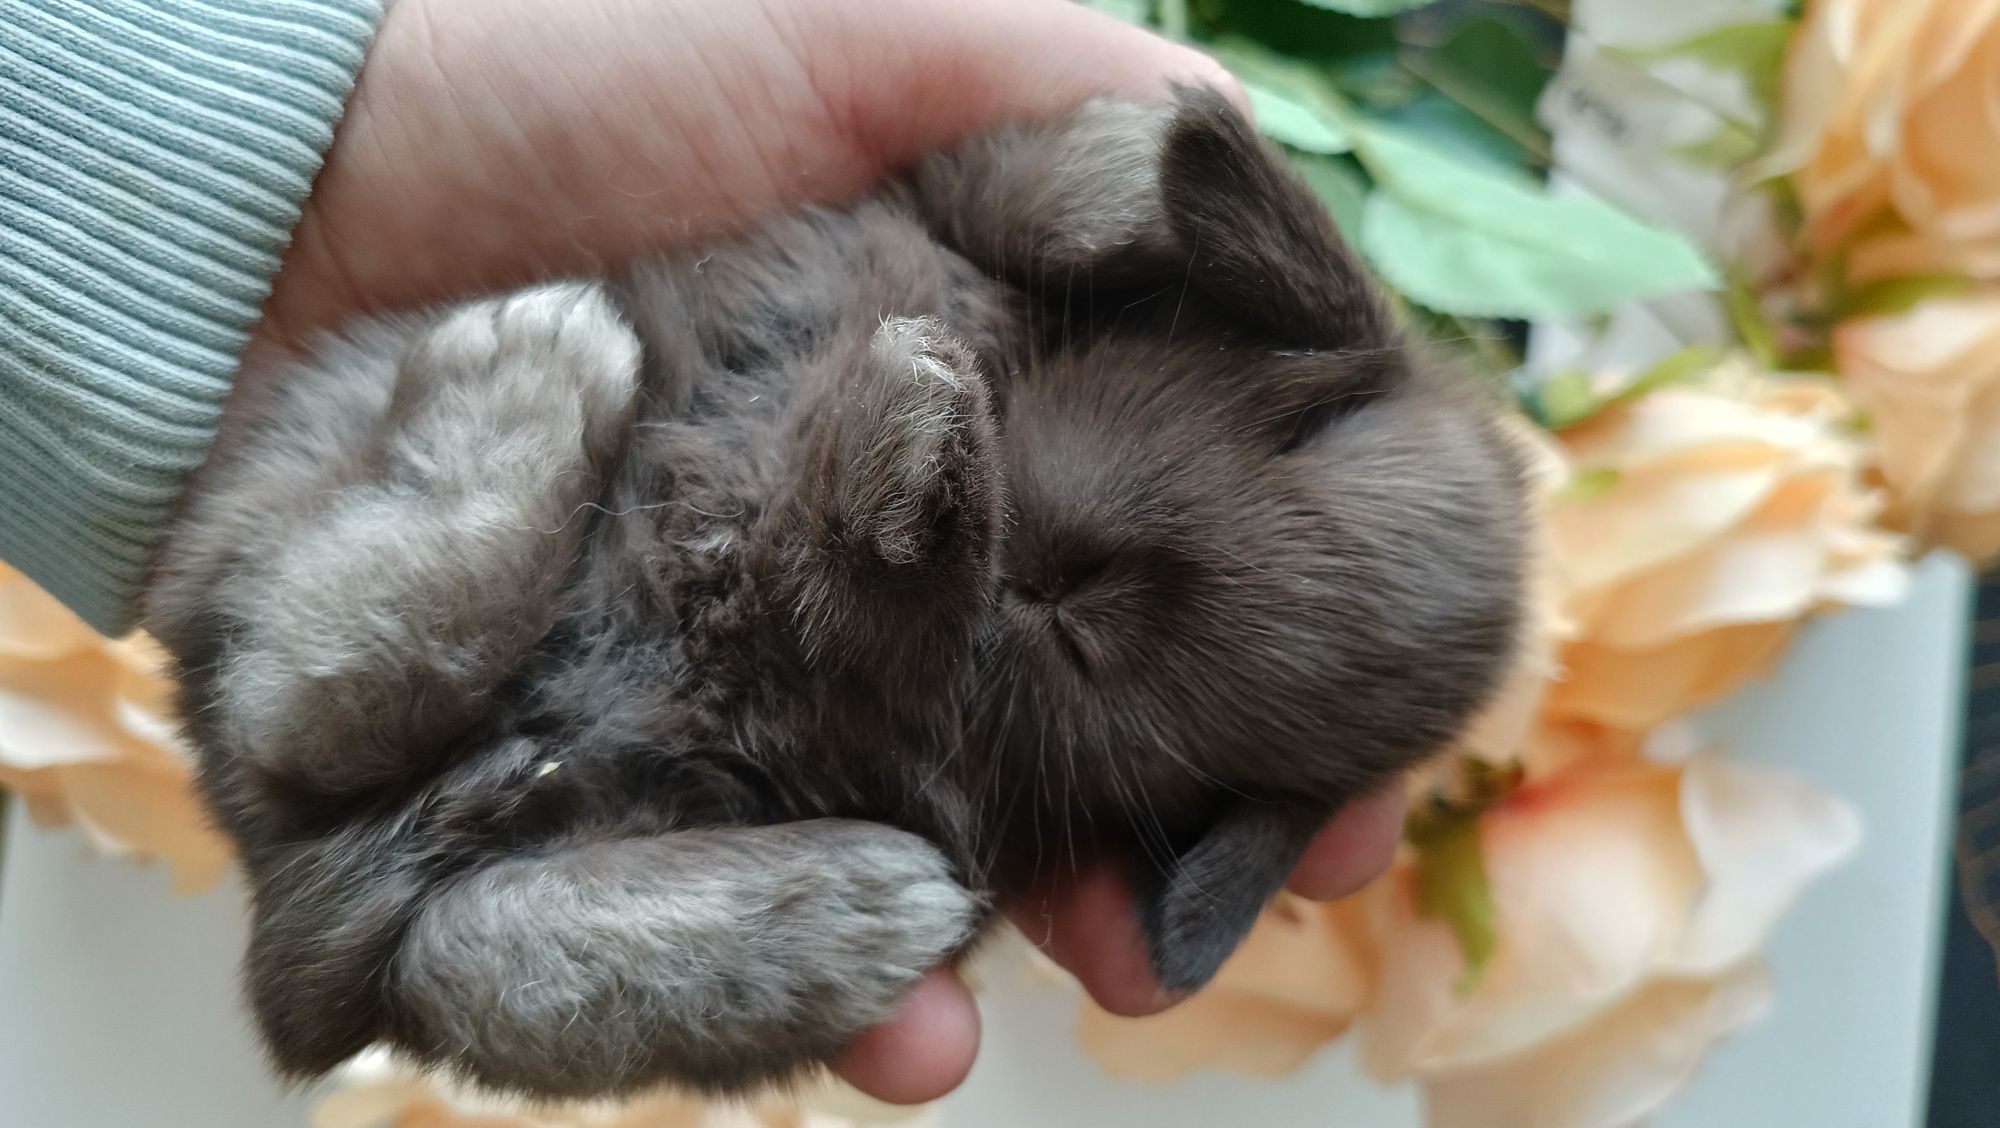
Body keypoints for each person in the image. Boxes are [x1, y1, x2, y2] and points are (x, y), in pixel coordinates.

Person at [0, 0, 1406, 1104]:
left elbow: (895, 732)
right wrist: (1110, 189)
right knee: (536, 403)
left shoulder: (1059, 765)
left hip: (667, 812)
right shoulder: (1043, 271)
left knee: (852, 906)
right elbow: (1053, 176)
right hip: (519, 525)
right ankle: (359, 664)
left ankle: (477, 920)